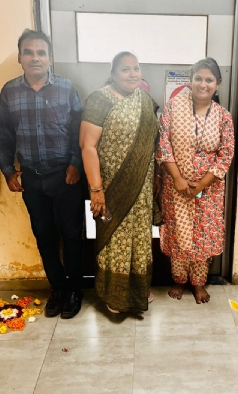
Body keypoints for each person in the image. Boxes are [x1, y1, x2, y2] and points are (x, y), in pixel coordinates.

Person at [0, 30, 85, 319]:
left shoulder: (66, 88)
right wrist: (8, 170)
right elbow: (5, 135)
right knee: (44, 235)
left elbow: (78, 130)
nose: (35, 58)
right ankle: (57, 289)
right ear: (20, 57)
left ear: (50, 57)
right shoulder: (9, 91)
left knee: (72, 235)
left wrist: (75, 163)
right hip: (32, 179)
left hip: (65, 175)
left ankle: (74, 290)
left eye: (41, 53)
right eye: (29, 52)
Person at [80, 51, 159, 313]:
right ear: (113, 73)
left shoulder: (145, 100)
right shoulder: (99, 100)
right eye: (125, 69)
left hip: (142, 188)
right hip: (112, 187)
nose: (133, 74)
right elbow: (87, 146)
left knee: (139, 237)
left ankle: (138, 290)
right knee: (114, 238)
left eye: (136, 69)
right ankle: (114, 294)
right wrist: (97, 190)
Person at [156, 58, 235, 304]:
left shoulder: (223, 116)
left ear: (217, 84)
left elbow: (226, 153)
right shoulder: (172, 108)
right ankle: (179, 280)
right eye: (198, 78)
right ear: (190, 81)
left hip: (209, 187)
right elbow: (164, 144)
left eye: (209, 80)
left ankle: (199, 283)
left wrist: (201, 184)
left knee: (202, 232)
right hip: (176, 184)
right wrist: (178, 178)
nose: (203, 84)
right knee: (179, 229)